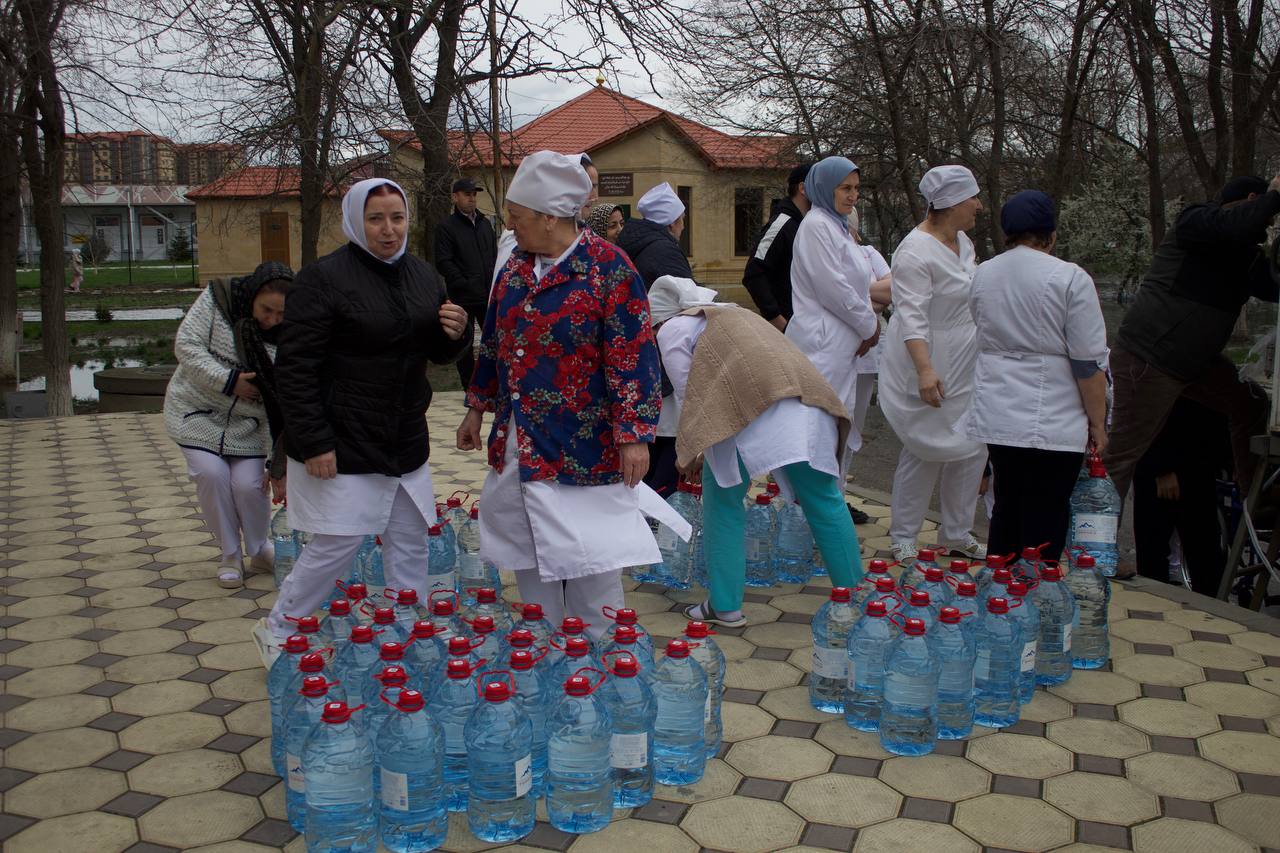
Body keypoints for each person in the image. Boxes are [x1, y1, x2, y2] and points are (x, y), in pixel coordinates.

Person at [456, 151, 673, 635]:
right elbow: (494, 341)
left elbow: (634, 354)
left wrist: (634, 434)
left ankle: (599, 671)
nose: (510, 225)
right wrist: (476, 408)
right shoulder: (514, 267)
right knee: (531, 560)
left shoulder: (608, 270)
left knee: (591, 570)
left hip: (586, 448)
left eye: (517, 216)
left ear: (550, 216)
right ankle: (546, 663)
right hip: (525, 443)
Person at [258, 177, 468, 658]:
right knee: (338, 543)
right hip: (344, 438)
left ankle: (407, 629)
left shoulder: (422, 275)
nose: (388, 229)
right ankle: (280, 629)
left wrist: (457, 333)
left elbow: (434, 348)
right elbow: (294, 368)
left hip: (404, 436)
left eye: (397, 218)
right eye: (376, 219)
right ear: (355, 220)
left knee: (411, 537)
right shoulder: (323, 279)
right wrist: (311, 442)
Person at [652, 277, 865, 627]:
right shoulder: (733, 313)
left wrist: (692, 452)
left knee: (723, 502)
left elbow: (690, 394)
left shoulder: (672, 329)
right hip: (808, 409)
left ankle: (725, 605)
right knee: (825, 501)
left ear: (658, 318)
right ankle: (856, 601)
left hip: (745, 413)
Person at [1104, 175, 1280, 506]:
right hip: (1151, 356)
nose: (1268, 223)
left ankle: (1259, 502)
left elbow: (1273, 285)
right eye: (1267, 213)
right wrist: (1275, 195)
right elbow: (1234, 225)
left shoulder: (1243, 254)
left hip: (1192, 362)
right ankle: (1087, 541)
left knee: (1250, 403)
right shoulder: (1197, 221)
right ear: (1253, 199)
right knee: (1123, 454)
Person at [960, 190, 1108, 562]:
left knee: (1007, 506)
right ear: (1051, 234)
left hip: (1000, 410)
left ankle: (999, 592)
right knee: (1047, 511)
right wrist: (1099, 422)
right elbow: (1088, 363)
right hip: (1055, 415)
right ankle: (1037, 598)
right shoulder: (1070, 278)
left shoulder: (984, 274)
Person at [880, 165, 987, 563]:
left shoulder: (964, 242)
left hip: (967, 356)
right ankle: (904, 534)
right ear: (952, 203)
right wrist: (925, 370)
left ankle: (956, 532)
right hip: (926, 354)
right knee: (925, 444)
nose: (978, 205)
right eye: (972, 198)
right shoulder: (914, 251)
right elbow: (912, 316)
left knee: (972, 445)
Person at [163, 261, 293, 588]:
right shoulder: (219, 298)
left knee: (249, 485)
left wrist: (279, 462)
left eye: (281, 314)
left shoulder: (291, 334)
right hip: (197, 412)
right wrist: (230, 380)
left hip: (250, 426)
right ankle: (230, 553)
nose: (272, 320)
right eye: (266, 310)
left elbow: (287, 396)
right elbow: (186, 346)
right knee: (212, 474)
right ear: (252, 298)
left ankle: (260, 548)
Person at [785, 155, 881, 474]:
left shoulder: (838, 227)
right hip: (821, 348)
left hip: (840, 348)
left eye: (856, 188)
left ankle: (828, 507)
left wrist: (867, 325)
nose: (853, 195)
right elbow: (834, 288)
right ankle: (811, 512)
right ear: (825, 189)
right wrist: (869, 325)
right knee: (816, 434)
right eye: (844, 188)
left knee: (834, 433)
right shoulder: (816, 226)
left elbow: (860, 283)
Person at [1132, 398, 1231, 595]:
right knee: (1154, 551)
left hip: (1201, 464)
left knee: (1205, 554)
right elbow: (1148, 409)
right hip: (1165, 465)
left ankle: (1210, 612)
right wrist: (1161, 467)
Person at [848, 208, 893, 525]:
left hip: (865, 357)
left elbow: (890, 292)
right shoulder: (821, 249)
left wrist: (851, 294)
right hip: (832, 354)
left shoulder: (867, 253)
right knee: (827, 432)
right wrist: (869, 296)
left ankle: (838, 497)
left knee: (853, 429)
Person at [434, 177, 497, 388]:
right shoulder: (447, 227)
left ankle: (492, 383)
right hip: (463, 296)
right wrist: (462, 282)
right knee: (465, 345)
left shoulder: (484, 223)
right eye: (467, 194)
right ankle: (469, 387)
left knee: (493, 340)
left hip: (486, 294)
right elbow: (443, 261)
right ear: (455, 197)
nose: (472, 199)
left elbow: (493, 255)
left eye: (474, 194)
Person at [743, 163, 811, 331]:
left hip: (805, 328)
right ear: (802, 188)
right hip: (787, 329)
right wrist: (778, 320)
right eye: (818, 184)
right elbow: (753, 273)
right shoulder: (782, 223)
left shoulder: (806, 224)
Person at [617, 182, 693, 289]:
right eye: (682, 219)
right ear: (672, 223)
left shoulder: (639, 242)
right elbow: (689, 294)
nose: (683, 226)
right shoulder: (667, 252)